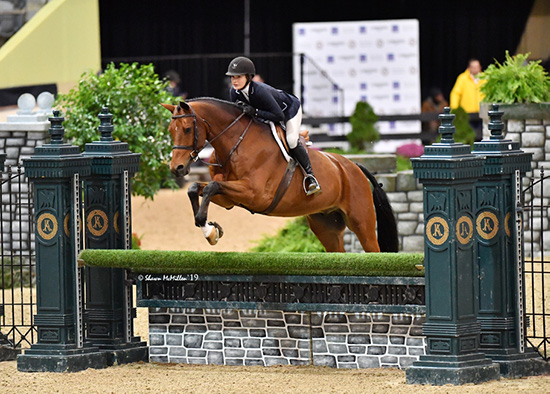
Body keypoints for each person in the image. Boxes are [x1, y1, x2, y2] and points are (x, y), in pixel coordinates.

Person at [225, 56, 321, 196]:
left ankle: (311, 177)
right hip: (266, 114)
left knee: (291, 140)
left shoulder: (259, 91)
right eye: (232, 77)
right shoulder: (234, 92)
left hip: (289, 110)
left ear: (249, 77)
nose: (234, 81)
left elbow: (278, 116)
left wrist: (256, 112)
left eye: (238, 77)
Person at [450, 59, 484, 139]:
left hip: (482, 113)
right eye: (473, 67)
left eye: (477, 67)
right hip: (467, 114)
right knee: (468, 136)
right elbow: (456, 94)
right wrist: (455, 109)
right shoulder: (462, 78)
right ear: (469, 68)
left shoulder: (484, 79)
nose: (476, 69)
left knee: (482, 136)